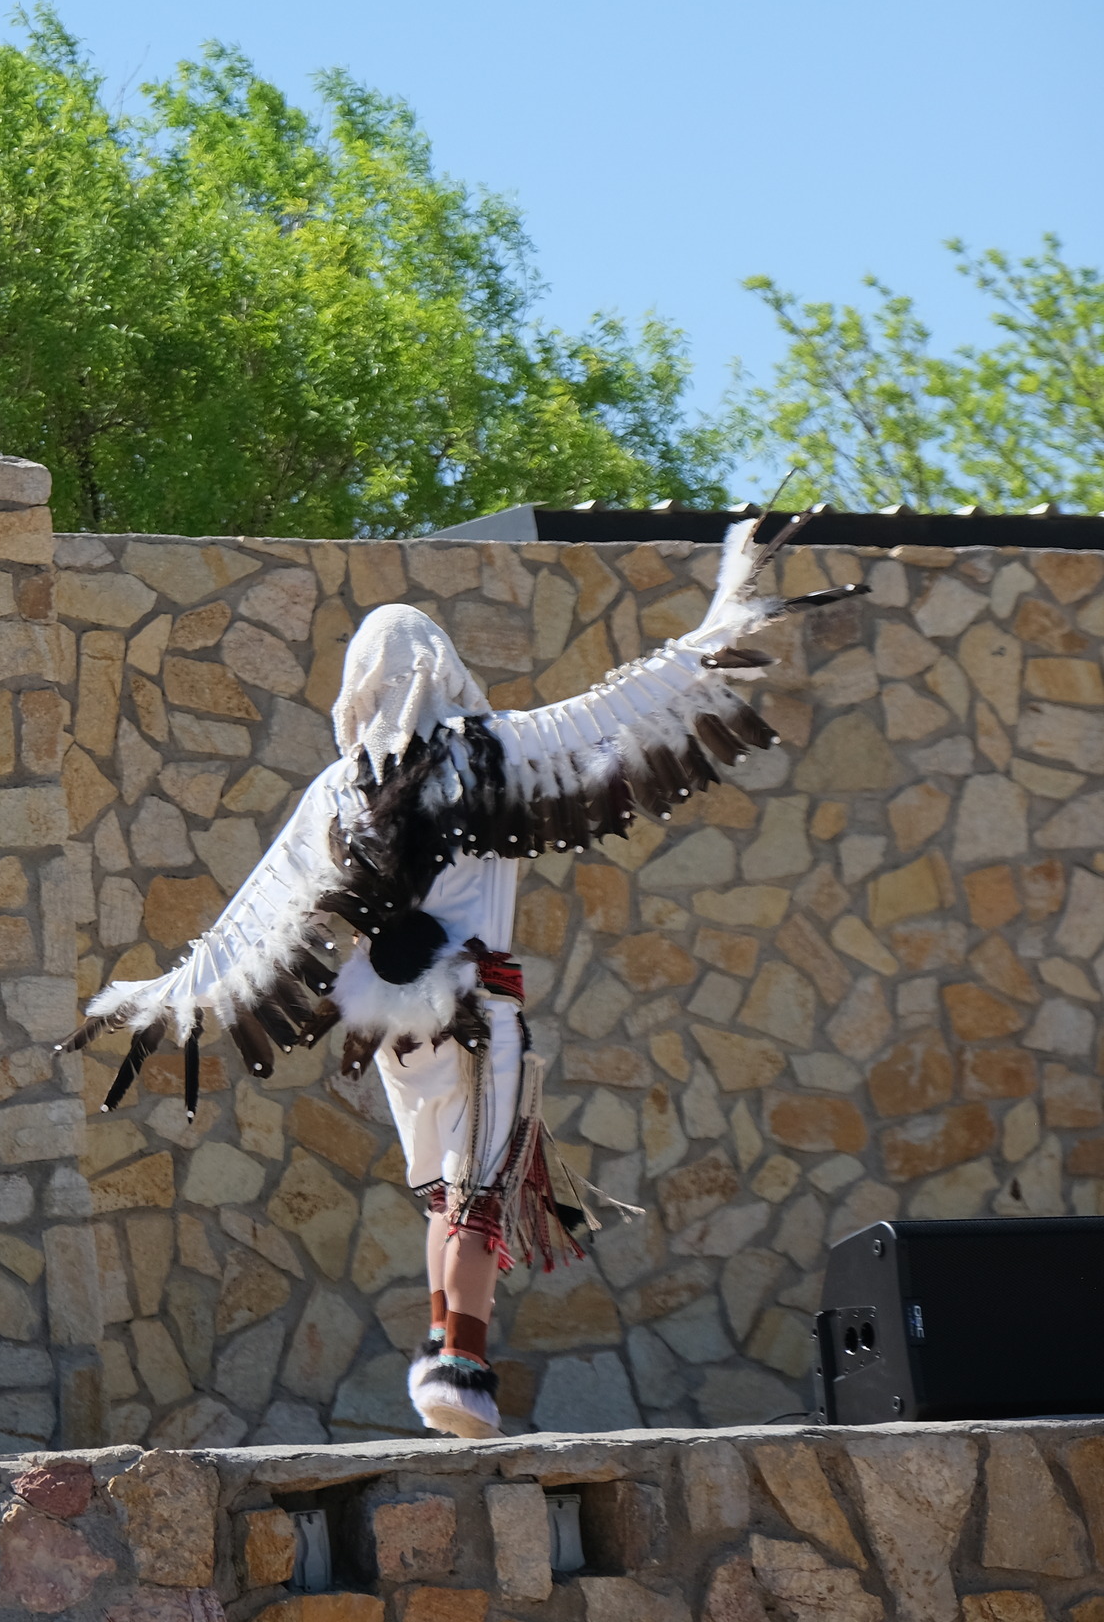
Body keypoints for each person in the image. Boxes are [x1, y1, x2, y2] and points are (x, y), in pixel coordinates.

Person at [64, 519, 858, 1438]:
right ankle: (462, 1365)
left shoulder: (335, 793)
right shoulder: (498, 753)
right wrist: (732, 607)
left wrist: (162, 997)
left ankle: (446, 1348)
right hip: (481, 1008)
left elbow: (252, 924)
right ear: (439, 666)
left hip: (392, 1027)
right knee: (478, 1188)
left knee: (448, 1191)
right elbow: (646, 705)